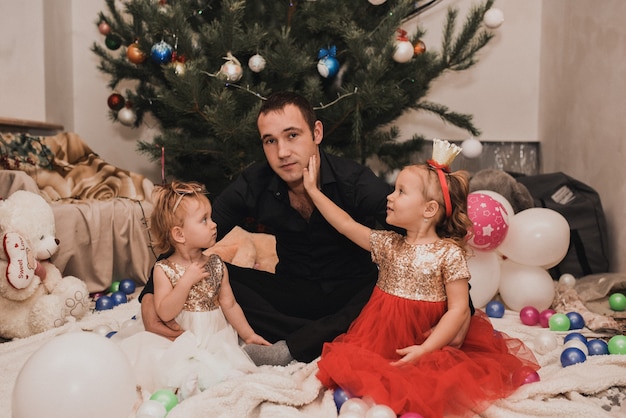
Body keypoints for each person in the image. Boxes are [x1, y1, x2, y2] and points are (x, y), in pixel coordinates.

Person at [139, 91, 474, 366]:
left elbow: (428, 241)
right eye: (270, 141)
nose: (282, 152)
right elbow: (187, 243)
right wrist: (151, 295)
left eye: (292, 136)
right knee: (219, 271)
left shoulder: (353, 181)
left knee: (388, 286)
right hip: (292, 293)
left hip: (356, 295)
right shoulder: (254, 183)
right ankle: (325, 337)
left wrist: (463, 311)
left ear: (316, 133)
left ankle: (292, 349)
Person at [301, 140, 540, 417]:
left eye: (401, 192)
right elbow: (345, 225)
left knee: (426, 383)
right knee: (365, 370)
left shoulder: (447, 253)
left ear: (428, 210)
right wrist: (312, 191)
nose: (390, 197)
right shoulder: (389, 244)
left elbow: (459, 308)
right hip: (381, 332)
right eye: (394, 189)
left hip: (426, 337)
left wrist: (427, 348)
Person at [119, 181, 270, 398]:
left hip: (213, 334)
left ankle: (215, 379)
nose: (213, 224)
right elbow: (165, 313)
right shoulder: (164, 269)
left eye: (210, 218)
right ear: (179, 234)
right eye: (204, 220)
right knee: (175, 361)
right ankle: (185, 385)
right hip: (182, 335)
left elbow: (229, 304)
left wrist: (248, 335)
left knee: (221, 359)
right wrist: (185, 282)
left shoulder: (217, 264)